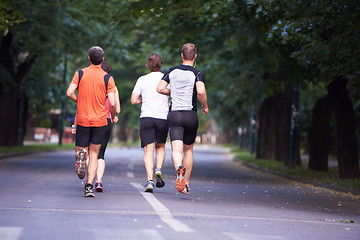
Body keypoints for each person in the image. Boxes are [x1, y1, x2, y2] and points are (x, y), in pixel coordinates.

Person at [157, 43, 209, 194]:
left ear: (182, 55)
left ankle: (178, 168)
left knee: (176, 148)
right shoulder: (198, 73)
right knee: (188, 150)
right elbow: (200, 91)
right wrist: (204, 106)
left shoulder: (171, 70)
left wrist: (173, 93)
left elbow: (159, 88)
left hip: (175, 115)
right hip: (190, 114)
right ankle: (185, 182)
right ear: (195, 56)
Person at [66, 46, 117, 197]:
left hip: (82, 118)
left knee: (82, 150)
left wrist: (79, 101)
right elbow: (113, 103)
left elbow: (69, 92)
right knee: (94, 154)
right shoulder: (108, 78)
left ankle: (80, 157)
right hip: (100, 121)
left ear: (88, 59)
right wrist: (112, 115)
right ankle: (89, 186)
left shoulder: (80, 73)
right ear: (102, 60)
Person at [131, 53, 169, 193]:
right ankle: (158, 169)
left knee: (148, 150)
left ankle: (149, 181)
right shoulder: (167, 78)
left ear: (147, 64)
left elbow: (133, 100)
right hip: (163, 117)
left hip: (146, 117)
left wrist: (144, 99)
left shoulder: (142, 79)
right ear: (162, 64)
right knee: (160, 147)